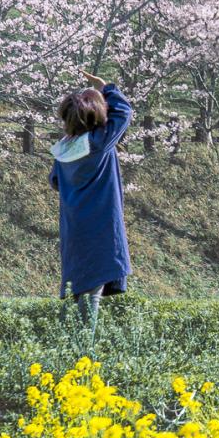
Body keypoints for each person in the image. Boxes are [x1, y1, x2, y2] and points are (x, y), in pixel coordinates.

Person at [50, 70, 133, 341]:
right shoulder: (98, 144)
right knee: (92, 295)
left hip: (74, 229)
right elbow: (123, 113)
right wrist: (107, 88)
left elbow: (55, 181)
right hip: (100, 226)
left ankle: (70, 346)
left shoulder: (63, 150)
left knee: (79, 291)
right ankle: (82, 352)